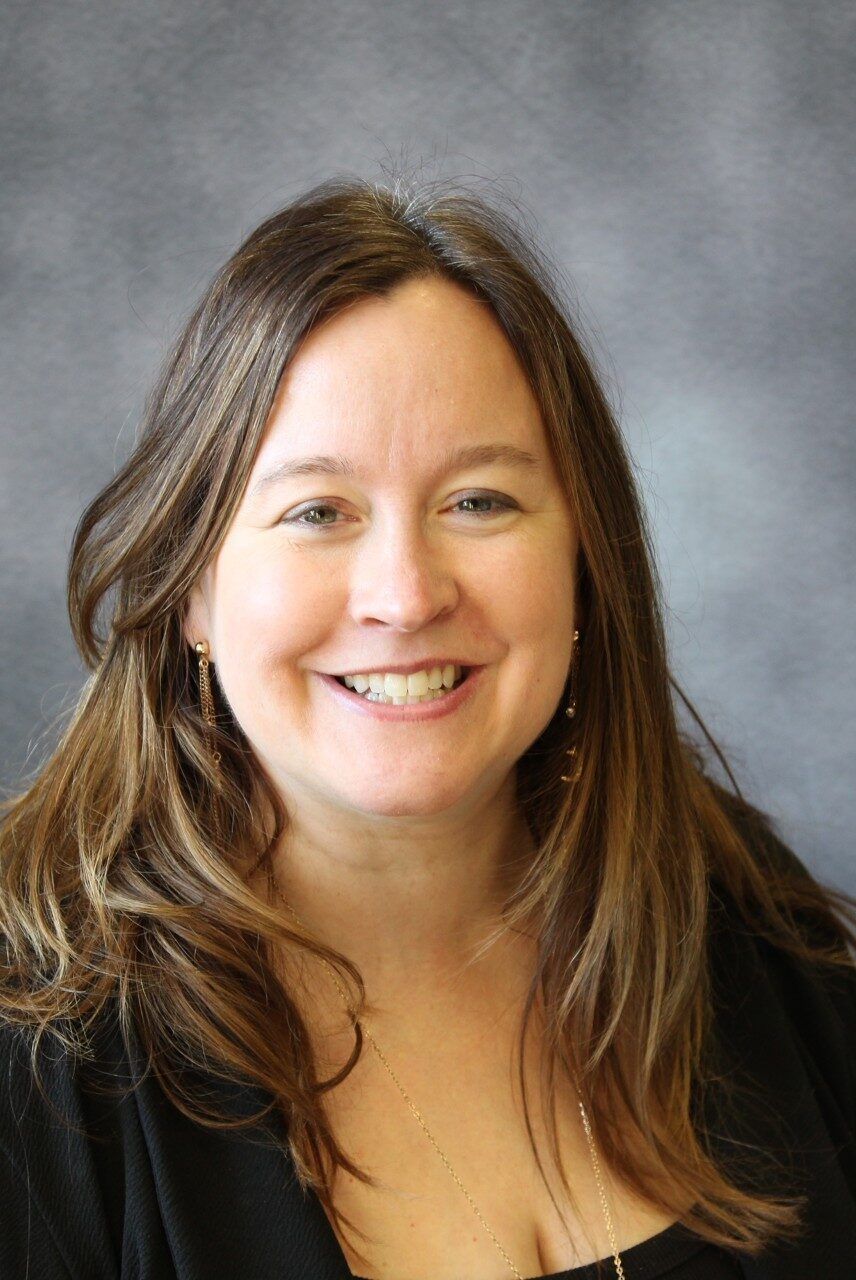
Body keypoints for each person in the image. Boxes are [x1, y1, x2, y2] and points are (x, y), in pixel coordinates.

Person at [0, 174, 853, 1280]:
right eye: (318, 511)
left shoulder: (742, 924)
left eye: (479, 501)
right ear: (194, 590)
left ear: (585, 566)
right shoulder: (38, 1052)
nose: (403, 595)